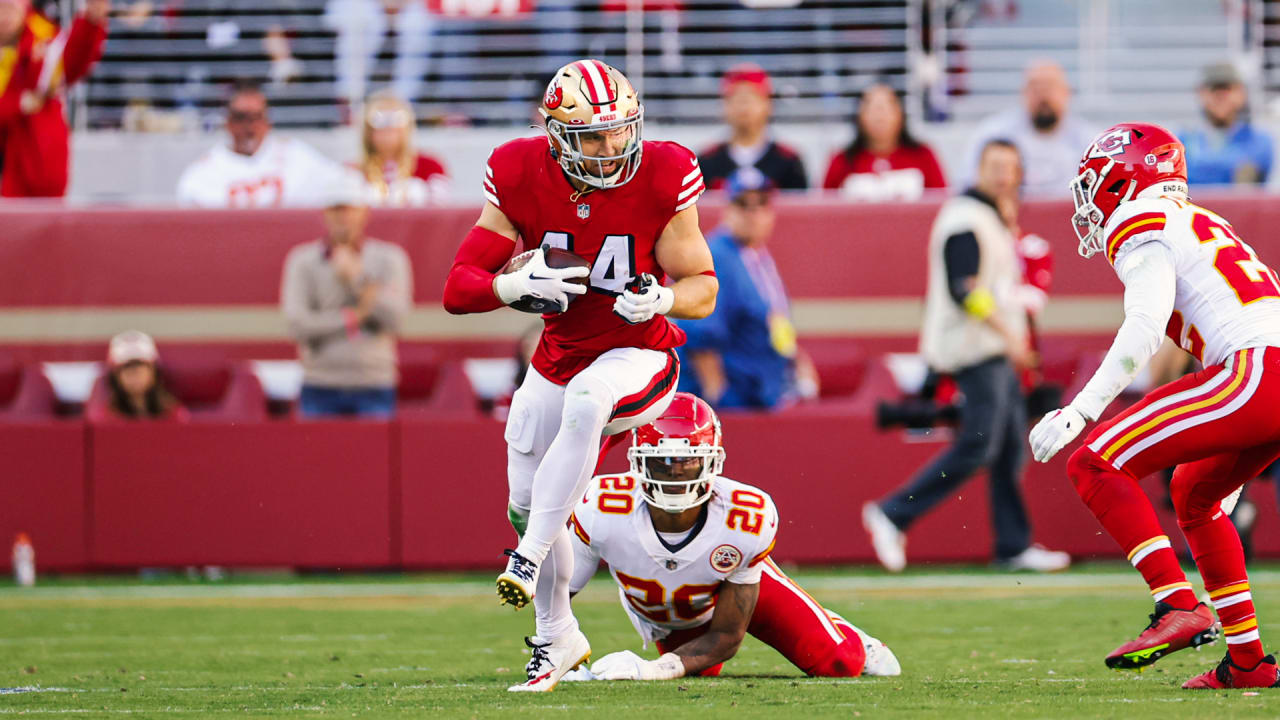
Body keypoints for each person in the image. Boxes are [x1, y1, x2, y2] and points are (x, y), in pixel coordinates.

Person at [440, 59, 718, 693]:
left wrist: (665, 300)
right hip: (558, 355)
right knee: (523, 503)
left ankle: (530, 555)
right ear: (555, 135)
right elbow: (458, 289)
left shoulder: (664, 171)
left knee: (588, 403)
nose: (612, 147)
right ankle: (556, 635)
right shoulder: (517, 169)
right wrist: (511, 285)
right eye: (594, 136)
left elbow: (704, 288)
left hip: (640, 354)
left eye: (621, 131)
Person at [1029, 123, 1280, 689]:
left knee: (1092, 460)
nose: (1089, 199)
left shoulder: (1142, 221)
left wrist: (1081, 410)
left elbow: (1144, 325)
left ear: (1126, 175)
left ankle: (1176, 606)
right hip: (1263, 370)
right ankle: (1247, 663)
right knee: (1194, 492)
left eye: (1094, 182)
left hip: (1257, 368)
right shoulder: (1199, 221)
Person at [561, 393, 900, 686]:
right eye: (662, 463)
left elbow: (726, 637)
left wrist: (651, 669)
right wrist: (555, 655)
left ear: (713, 461)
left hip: (738, 585)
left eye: (688, 461)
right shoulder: (602, 506)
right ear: (637, 463)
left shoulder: (742, 517)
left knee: (841, 663)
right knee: (700, 675)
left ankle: (849, 636)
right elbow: (557, 595)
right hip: (675, 613)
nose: (676, 473)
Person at [862, 139, 1070, 574]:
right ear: (977, 168)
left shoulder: (991, 219)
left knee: (1010, 450)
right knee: (978, 446)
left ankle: (1013, 546)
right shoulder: (965, 218)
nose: (1002, 175)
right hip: (978, 350)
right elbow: (965, 290)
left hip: (996, 350)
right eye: (994, 165)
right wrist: (1009, 338)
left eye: (1010, 167)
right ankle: (894, 512)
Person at [676, 168, 818, 409]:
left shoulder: (755, 255)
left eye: (761, 203)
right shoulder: (719, 257)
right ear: (728, 210)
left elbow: (772, 319)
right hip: (736, 401)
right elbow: (700, 333)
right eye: (743, 204)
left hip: (761, 392)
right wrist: (717, 396)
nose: (753, 213)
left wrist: (797, 359)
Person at [281, 169, 411, 418]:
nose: (344, 217)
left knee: (375, 456)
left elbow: (396, 320)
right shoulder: (303, 261)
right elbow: (297, 326)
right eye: (336, 209)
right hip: (320, 383)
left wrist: (357, 278)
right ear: (325, 214)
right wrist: (354, 316)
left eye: (350, 208)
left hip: (374, 382)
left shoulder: (389, 259)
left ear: (364, 212)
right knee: (318, 458)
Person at [0, 0, 108, 197]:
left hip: (35, 160)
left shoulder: (43, 40)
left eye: (9, 9)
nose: (4, 18)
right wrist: (18, 103)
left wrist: (91, 21)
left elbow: (70, 63)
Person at [176, 81, 339, 207]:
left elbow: (339, 183)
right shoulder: (203, 174)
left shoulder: (295, 154)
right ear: (228, 122)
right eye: (241, 118)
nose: (250, 127)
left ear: (268, 122)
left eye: (256, 117)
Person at [965, 61, 1095, 196]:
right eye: (1035, 87)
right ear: (1023, 93)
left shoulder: (1089, 143)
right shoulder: (994, 136)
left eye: (1050, 87)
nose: (1043, 95)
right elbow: (969, 185)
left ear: (1067, 92)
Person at [822, 82, 947, 201]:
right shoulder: (841, 160)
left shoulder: (923, 155)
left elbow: (942, 201)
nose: (880, 116)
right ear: (860, 116)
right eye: (872, 108)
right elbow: (823, 206)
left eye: (886, 107)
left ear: (900, 114)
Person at [698, 64, 807, 191]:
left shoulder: (789, 161)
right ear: (724, 105)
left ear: (768, 104)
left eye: (752, 97)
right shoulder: (706, 161)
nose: (744, 106)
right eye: (736, 98)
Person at [323, 0, 433, 115]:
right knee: (361, 23)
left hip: (409, 7)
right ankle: (348, 102)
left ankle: (401, 106)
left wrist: (397, 6)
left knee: (416, 26)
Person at [1181, 62, 1273, 187]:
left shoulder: (1260, 140)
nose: (1221, 97)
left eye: (1227, 90)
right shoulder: (1181, 140)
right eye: (1214, 90)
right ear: (1201, 94)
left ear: (1241, 94)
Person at [358, 90, 450, 206]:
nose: (388, 127)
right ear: (368, 130)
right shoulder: (353, 171)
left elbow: (439, 214)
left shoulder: (431, 167)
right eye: (378, 119)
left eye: (396, 119)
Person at [88, 330, 188, 422]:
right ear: (115, 377)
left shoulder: (173, 414)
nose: (135, 374)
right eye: (127, 368)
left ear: (154, 372)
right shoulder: (104, 418)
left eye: (140, 366)